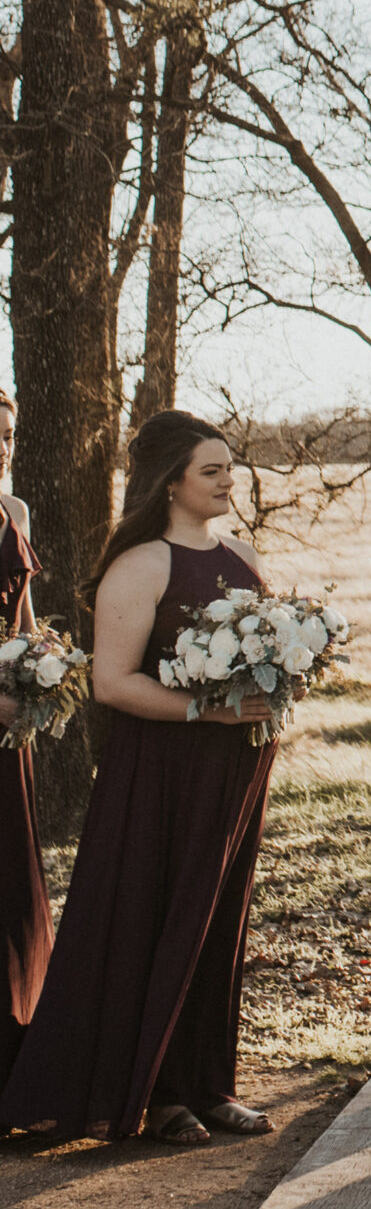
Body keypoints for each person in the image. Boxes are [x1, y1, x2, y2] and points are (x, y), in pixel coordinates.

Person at [0, 411, 278, 1146]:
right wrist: (206, 711)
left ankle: (208, 1084)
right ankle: (154, 1095)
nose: (227, 482)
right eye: (211, 471)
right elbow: (114, 684)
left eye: (228, 468)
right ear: (170, 483)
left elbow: (267, 657)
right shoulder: (142, 564)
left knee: (218, 923)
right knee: (157, 922)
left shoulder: (243, 555)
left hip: (235, 768)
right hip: (161, 772)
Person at [0, 383, 52, 1087]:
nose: (1, 448)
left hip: (12, 732)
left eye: (7, 435)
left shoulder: (13, 510)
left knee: (11, 882)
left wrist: (44, 672)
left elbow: (26, 620)